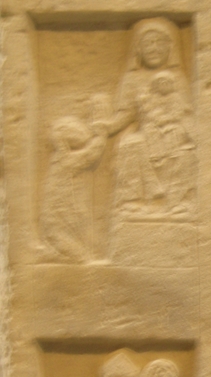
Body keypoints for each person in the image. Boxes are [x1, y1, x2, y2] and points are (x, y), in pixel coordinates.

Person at [108, 18, 196, 217]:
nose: (154, 48)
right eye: (148, 43)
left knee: (185, 152)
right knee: (129, 144)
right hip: (147, 131)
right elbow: (126, 113)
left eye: (159, 43)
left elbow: (186, 112)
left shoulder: (178, 78)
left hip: (173, 130)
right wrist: (107, 127)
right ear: (138, 49)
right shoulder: (132, 78)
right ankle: (132, 201)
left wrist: (180, 128)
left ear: (169, 48)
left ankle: (177, 203)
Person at [39, 113, 107, 261]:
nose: (82, 134)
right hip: (59, 223)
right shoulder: (64, 160)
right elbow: (90, 155)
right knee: (78, 252)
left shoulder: (61, 158)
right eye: (75, 132)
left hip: (68, 216)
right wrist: (101, 136)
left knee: (80, 242)